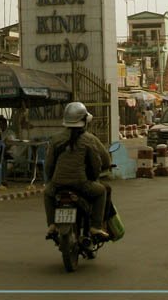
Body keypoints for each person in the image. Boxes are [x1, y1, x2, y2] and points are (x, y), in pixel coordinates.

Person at [43, 102, 111, 240]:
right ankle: (95, 227)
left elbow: (48, 165)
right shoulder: (89, 139)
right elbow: (100, 162)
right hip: (81, 184)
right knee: (102, 191)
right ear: (84, 121)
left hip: (58, 184)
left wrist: (51, 180)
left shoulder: (56, 139)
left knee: (47, 192)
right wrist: (95, 175)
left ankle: (52, 225)